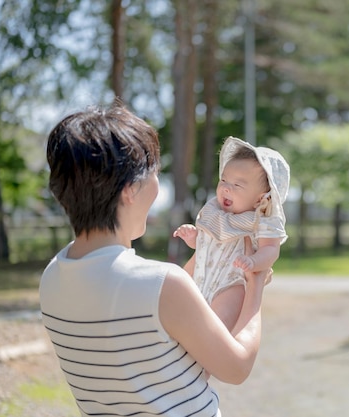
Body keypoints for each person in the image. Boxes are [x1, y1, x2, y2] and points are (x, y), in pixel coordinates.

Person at [39, 102, 268, 417]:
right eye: (155, 174)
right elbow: (237, 367)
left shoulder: (51, 278)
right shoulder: (160, 285)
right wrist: (255, 287)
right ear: (131, 189)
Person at [173, 136, 289, 331]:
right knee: (183, 314)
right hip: (202, 277)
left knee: (216, 324)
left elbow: (271, 249)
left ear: (261, 198)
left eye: (237, 185)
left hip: (232, 282)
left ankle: (214, 345)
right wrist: (194, 238)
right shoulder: (216, 213)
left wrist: (254, 261)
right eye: (224, 180)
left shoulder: (262, 219)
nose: (226, 187)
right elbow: (205, 246)